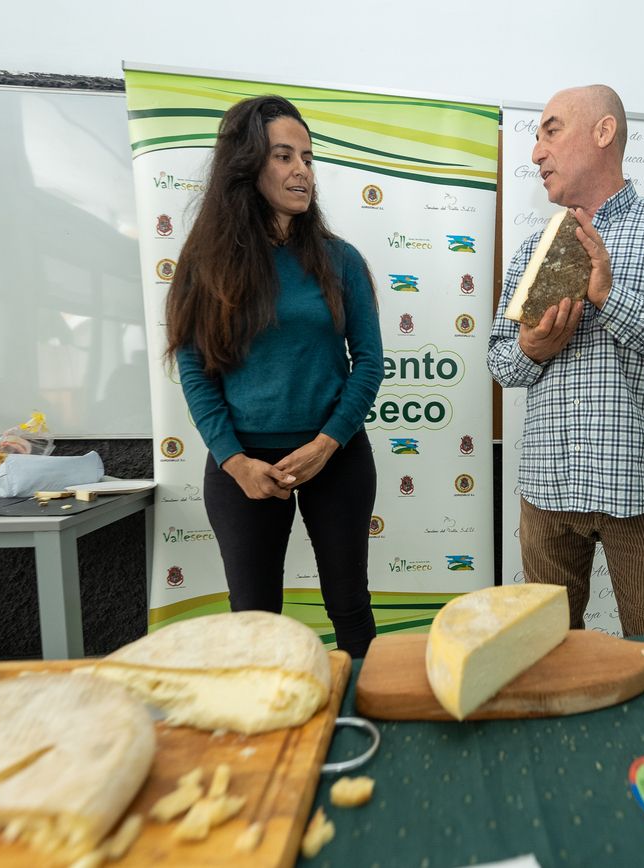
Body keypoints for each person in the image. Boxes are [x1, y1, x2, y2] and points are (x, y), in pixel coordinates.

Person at [488, 85, 644, 636]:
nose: (535, 153)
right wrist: (532, 350)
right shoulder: (534, 247)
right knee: (547, 656)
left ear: (603, 133)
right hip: (547, 496)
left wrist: (612, 299)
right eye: (535, 137)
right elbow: (500, 361)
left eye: (550, 131)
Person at [164, 96, 384, 657]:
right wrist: (234, 460)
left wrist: (326, 444)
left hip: (335, 457)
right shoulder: (205, 264)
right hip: (243, 467)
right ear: (248, 165)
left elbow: (370, 362)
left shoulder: (342, 261)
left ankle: (370, 725)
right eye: (284, 156)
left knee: (351, 609)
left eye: (307, 158)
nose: (301, 171)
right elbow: (193, 367)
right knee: (255, 624)